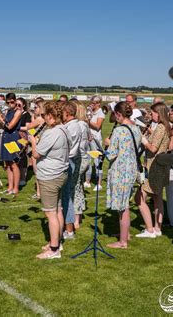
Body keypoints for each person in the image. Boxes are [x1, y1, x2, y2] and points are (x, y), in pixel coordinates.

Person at [30, 101, 71, 259]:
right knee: (58, 209)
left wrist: (33, 141)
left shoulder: (52, 132)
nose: (43, 118)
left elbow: (36, 154)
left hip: (50, 176)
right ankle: (57, 241)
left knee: (50, 214)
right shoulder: (64, 129)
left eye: (45, 115)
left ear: (51, 116)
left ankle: (54, 249)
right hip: (60, 173)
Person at [104, 102, 142, 249]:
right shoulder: (136, 128)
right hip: (131, 168)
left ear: (119, 114)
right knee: (125, 203)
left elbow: (111, 155)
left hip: (121, 170)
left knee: (123, 207)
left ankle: (123, 242)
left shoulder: (119, 131)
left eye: (115, 115)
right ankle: (125, 234)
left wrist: (107, 143)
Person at [135, 102, 171, 238]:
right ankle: (157, 228)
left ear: (159, 113)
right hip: (160, 166)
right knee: (157, 197)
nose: (151, 115)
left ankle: (150, 229)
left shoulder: (161, 127)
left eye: (153, 113)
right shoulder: (165, 127)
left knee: (139, 197)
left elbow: (153, 148)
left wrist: (143, 139)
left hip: (154, 166)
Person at [61, 101, 82, 239]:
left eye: (62, 113)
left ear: (67, 113)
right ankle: (67, 225)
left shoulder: (70, 127)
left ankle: (69, 230)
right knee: (67, 194)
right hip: (72, 160)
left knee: (66, 196)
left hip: (68, 161)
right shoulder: (76, 125)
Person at [0, 93, 22, 195]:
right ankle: (10, 187)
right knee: (7, 164)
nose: (10, 104)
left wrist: (0, 118)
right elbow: (3, 126)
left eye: (12, 102)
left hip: (13, 138)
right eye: (8, 102)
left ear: (15, 101)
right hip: (6, 137)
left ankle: (16, 188)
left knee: (14, 164)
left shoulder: (18, 112)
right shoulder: (8, 111)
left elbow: (10, 126)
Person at [71, 100, 90, 229]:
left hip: (80, 158)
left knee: (76, 189)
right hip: (84, 157)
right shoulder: (84, 124)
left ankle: (76, 219)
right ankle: (79, 214)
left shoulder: (79, 125)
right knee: (78, 188)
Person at [84, 95, 105, 191]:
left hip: (96, 139)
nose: (91, 105)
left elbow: (97, 126)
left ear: (98, 104)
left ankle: (99, 183)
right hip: (88, 138)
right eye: (91, 102)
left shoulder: (100, 113)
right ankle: (87, 181)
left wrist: (88, 121)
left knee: (97, 161)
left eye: (93, 103)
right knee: (87, 160)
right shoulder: (90, 112)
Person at [16, 97, 31, 186]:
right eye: (16, 104)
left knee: (22, 156)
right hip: (14, 136)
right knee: (14, 156)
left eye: (19, 105)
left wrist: (17, 127)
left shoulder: (26, 115)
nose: (17, 106)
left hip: (22, 136)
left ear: (24, 105)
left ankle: (23, 177)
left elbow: (28, 127)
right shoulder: (13, 113)